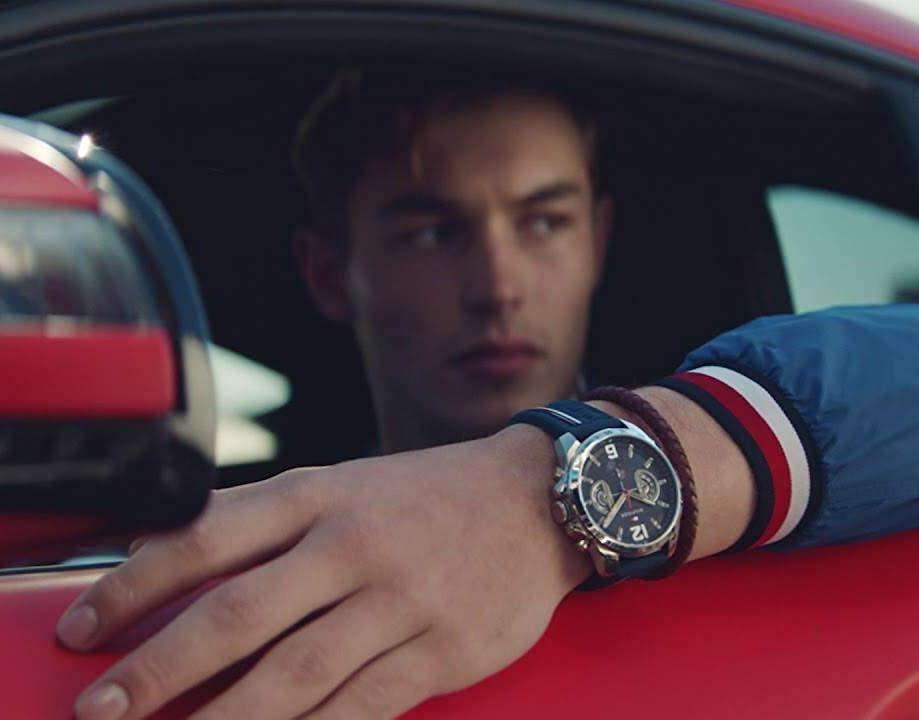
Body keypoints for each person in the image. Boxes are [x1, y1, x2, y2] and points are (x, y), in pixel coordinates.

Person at [56, 69, 919, 720]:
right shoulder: (237, 561)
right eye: (434, 232)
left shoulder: (756, 521)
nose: (498, 287)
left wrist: (542, 493)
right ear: (327, 272)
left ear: (598, 241)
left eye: (544, 221)